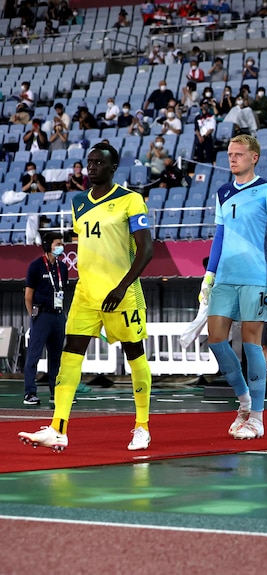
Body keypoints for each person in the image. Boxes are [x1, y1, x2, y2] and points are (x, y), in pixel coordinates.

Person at [19, 143, 155, 452]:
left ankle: (142, 426)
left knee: (135, 355)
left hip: (122, 294)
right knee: (70, 355)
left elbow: (146, 250)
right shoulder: (78, 202)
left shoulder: (130, 201)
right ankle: (58, 428)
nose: (91, 167)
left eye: (98, 163)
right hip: (86, 293)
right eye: (89, 162)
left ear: (113, 166)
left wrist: (121, 287)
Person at [198, 135, 267, 440]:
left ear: (254, 157)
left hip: (256, 276)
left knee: (253, 343)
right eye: (230, 154)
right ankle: (244, 400)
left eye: (239, 154)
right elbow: (219, 237)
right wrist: (209, 276)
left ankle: (257, 417)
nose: (233, 159)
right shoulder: (223, 192)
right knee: (215, 340)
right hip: (225, 277)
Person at [22, 232, 69, 406]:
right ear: (48, 245)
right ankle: (29, 393)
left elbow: (62, 290)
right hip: (41, 315)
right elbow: (28, 295)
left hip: (58, 316)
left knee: (56, 357)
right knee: (34, 356)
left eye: (61, 244)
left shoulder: (62, 268)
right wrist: (33, 315)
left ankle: (55, 393)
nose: (60, 247)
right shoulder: (35, 266)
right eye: (57, 244)